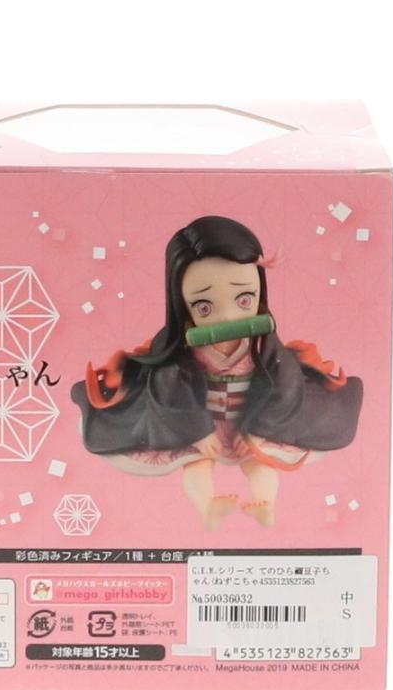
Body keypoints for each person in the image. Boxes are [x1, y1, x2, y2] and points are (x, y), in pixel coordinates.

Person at [70, 216, 363, 530]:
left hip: (250, 420)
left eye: (244, 299)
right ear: (182, 304)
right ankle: (208, 506)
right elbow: (168, 388)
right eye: (204, 307)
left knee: (260, 462)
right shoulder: (181, 347)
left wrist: (259, 429)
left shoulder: (262, 344)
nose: (227, 316)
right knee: (197, 464)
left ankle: (265, 505)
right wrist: (197, 431)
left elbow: (285, 383)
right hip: (202, 423)